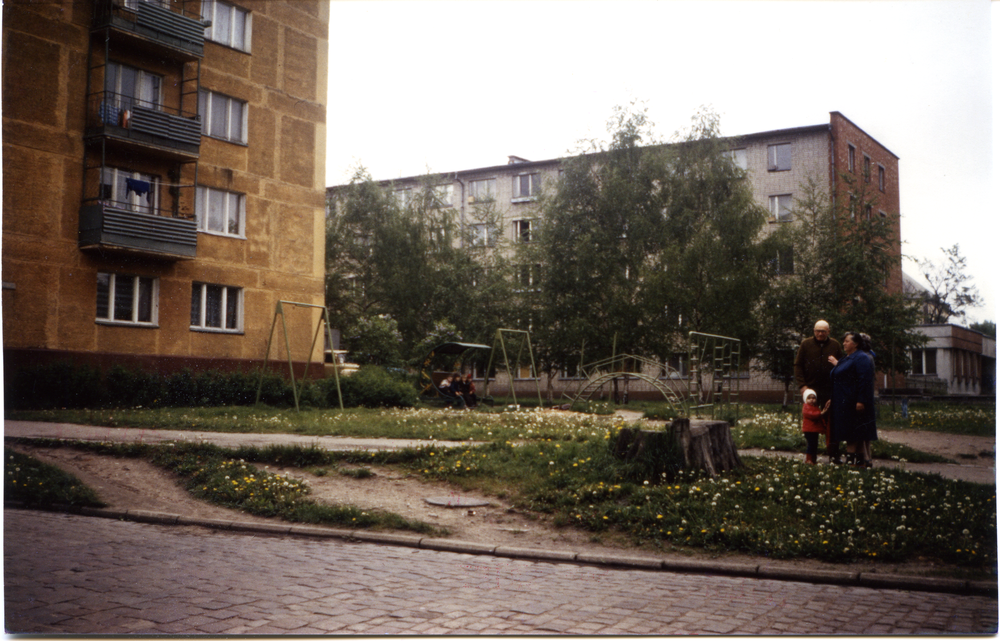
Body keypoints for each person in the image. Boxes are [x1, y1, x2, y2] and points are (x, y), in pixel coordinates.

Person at [794, 320, 844, 463]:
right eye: (817, 331)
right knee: (811, 423)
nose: (820, 333)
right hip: (811, 391)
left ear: (828, 331)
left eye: (823, 331)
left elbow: (842, 366)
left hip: (830, 390)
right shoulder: (806, 344)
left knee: (832, 422)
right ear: (814, 331)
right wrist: (803, 386)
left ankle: (834, 456)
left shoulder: (835, 345)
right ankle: (811, 456)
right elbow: (798, 365)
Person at [828, 331, 877, 468]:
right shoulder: (846, 358)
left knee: (853, 434)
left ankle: (852, 464)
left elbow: (864, 381)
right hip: (843, 401)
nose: (844, 343)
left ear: (855, 344)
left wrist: (861, 400)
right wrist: (832, 398)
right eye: (843, 341)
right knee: (851, 433)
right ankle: (858, 463)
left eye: (847, 341)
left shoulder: (861, 358)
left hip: (855, 402)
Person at [801, 388, 831, 465]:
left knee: (814, 444)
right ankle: (808, 459)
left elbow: (819, 418)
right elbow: (812, 415)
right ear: (805, 399)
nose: (812, 400)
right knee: (811, 444)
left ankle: (813, 459)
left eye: (813, 398)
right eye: (809, 398)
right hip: (808, 430)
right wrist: (821, 413)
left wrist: (823, 426)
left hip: (814, 430)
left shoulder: (815, 407)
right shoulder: (806, 407)